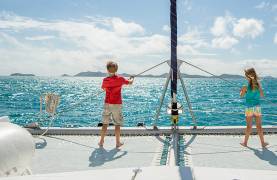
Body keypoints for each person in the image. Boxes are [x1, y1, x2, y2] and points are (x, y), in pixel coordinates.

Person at [98, 61, 134, 148]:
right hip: (116, 104)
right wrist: (132, 78)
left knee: (105, 123)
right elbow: (130, 82)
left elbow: (103, 87)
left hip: (107, 103)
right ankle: (118, 143)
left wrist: (107, 87)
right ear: (116, 70)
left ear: (107, 70)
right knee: (117, 124)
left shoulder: (105, 80)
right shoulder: (120, 79)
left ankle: (101, 141)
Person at [240, 68, 268, 148]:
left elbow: (241, 95)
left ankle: (245, 143)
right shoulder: (258, 85)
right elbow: (262, 95)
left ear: (248, 76)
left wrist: (242, 91)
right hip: (257, 107)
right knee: (259, 126)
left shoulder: (245, 86)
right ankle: (263, 143)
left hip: (249, 108)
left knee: (249, 126)